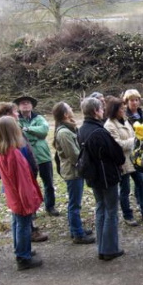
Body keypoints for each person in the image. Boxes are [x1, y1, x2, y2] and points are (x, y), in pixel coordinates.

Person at [78, 97, 126, 261]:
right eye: (101, 108)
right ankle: (109, 249)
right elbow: (116, 154)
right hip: (106, 176)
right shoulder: (99, 132)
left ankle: (102, 247)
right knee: (110, 211)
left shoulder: (82, 129)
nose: (103, 111)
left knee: (100, 209)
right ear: (95, 111)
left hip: (93, 176)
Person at [0, 102, 48, 243]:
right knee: (22, 218)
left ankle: (23, 248)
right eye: (15, 112)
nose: (17, 114)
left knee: (20, 219)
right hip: (20, 187)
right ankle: (23, 253)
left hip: (21, 183)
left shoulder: (8, 140)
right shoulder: (10, 147)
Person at [0, 116, 43, 271]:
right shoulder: (13, 154)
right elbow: (23, 180)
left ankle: (22, 250)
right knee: (22, 224)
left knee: (17, 223)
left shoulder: (0, 150)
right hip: (20, 196)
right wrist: (29, 201)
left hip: (13, 195)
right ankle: (23, 257)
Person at [52, 102, 95, 244]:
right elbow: (74, 155)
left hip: (75, 171)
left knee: (75, 202)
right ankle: (78, 234)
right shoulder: (64, 132)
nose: (72, 108)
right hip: (73, 172)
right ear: (65, 114)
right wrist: (87, 162)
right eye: (69, 108)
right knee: (74, 204)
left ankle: (76, 228)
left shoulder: (68, 128)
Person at [14, 95, 59, 217]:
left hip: (43, 155)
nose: (25, 105)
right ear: (18, 106)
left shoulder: (39, 118)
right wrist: (34, 133)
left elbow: (44, 131)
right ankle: (32, 209)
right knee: (29, 185)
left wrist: (27, 129)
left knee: (48, 183)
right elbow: (18, 135)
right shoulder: (16, 120)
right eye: (22, 103)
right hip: (26, 158)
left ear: (32, 105)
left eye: (28, 102)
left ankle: (50, 207)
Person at [104, 97, 140, 226]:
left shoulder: (125, 120)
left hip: (134, 159)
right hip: (122, 162)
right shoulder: (109, 125)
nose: (123, 109)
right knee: (125, 189)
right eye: (120, 108)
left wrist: (135, 139)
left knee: (142, 184)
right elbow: (117, 144)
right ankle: (128, 215)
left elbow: (134, 134)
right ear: (114, 110)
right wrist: (134, 141)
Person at [123, 89, 143, 220]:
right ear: (126, 102)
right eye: (132, 100)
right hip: (129, 151)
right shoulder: (124, 116)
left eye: (137, 100)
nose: (135, 102)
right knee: (134, 182)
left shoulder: (142, 113)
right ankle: (136, 208)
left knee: (141, 181)